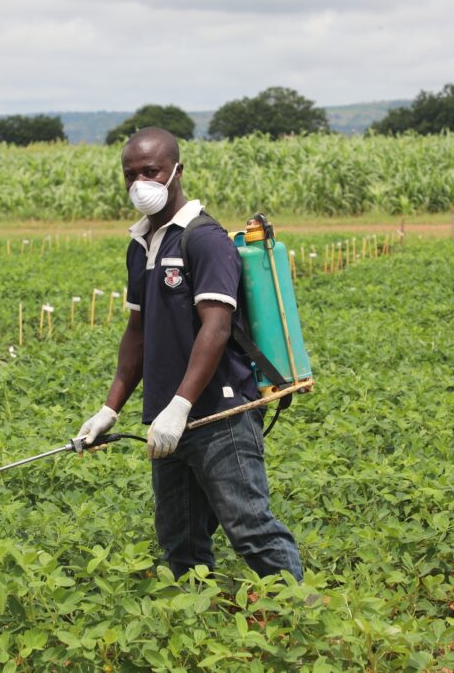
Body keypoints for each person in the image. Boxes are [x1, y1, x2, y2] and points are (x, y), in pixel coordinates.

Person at [76, 127, 304, 581]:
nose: (140, 182)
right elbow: (137, 332)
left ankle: (307, 618)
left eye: (151, 171)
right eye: (130, 174)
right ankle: (196, 622)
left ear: (177, 170)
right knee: (179, 537)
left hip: (220, 414)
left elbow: (217, 327)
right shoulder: (141, 244)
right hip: (166, 421)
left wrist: (180, 407)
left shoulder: (204, 239)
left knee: (250, 528)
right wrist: (109, 409)